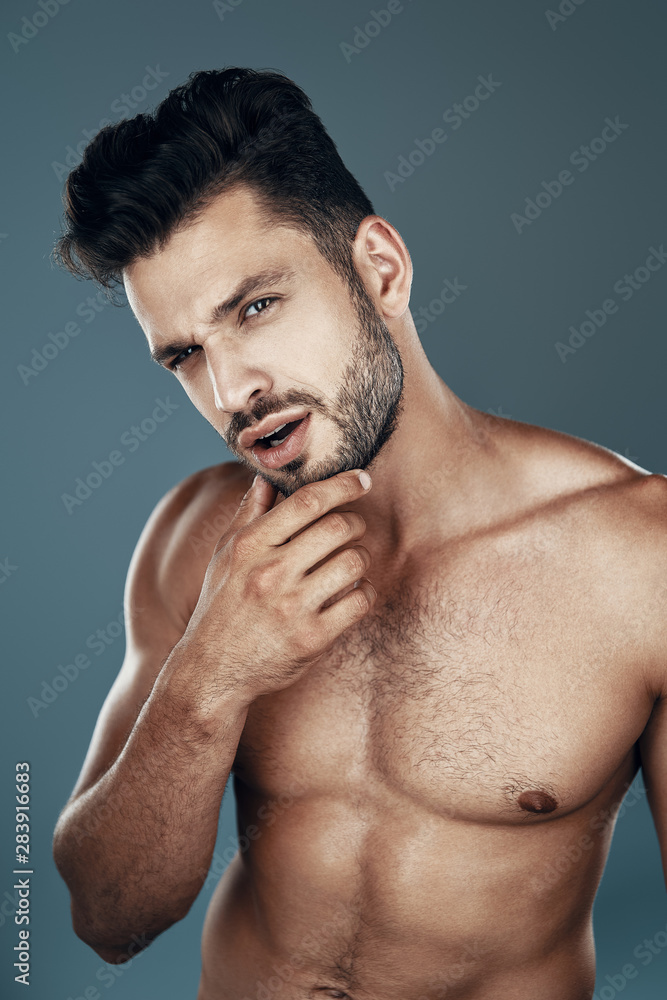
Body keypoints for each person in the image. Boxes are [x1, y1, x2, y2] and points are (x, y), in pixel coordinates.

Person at [51, 67, 667, 1000]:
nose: (230, 391)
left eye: (254, 307)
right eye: (184, 354)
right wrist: (211, 674)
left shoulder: (637, 559)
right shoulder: (194, 539)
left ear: (379, 268)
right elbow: (107, 920)